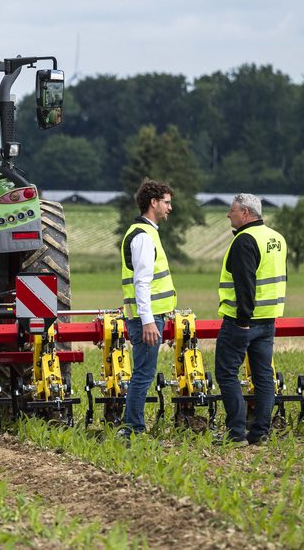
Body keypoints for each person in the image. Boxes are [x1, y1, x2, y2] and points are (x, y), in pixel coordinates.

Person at [214, 193, 287, 447]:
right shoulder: (277, 239)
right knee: (263, 375)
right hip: (269, 319)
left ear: (245, 213)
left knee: (225, 373)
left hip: (242, 320)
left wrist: (243, 319)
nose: (228, 214)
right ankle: (261, 433)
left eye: (232, 210)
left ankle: (235, 433)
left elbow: (245, 283)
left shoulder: (245, 240)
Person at [118, 179, 176, 440]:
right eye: (166, 202)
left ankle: (132, 426)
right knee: (143, 374)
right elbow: (142, 283)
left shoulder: (147, 232)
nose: (169, 208)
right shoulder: (142, 236)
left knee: (143, 372)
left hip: (148, 317)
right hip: (146, 320)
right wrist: (149, 321)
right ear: (153, 203)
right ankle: (132, 428)